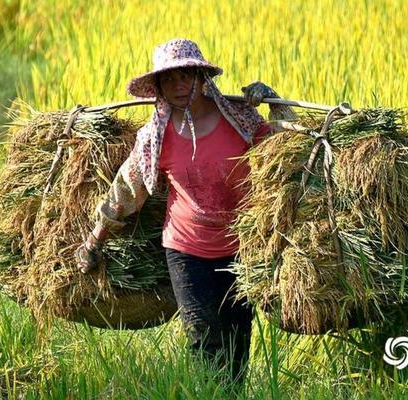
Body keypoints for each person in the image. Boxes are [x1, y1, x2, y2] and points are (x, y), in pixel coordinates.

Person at [75, 38, 297, 392]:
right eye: (170, 79)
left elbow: (285, 153)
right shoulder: (155, 138)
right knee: (202, 340)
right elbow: (126, 191)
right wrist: (93, 240)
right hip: (187, 249)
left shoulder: (239, 119)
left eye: (186, 76)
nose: (179, 86)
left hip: (242, 249)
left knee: (237, 338)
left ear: (200, 77)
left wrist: (276, 103)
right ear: (159, 87)